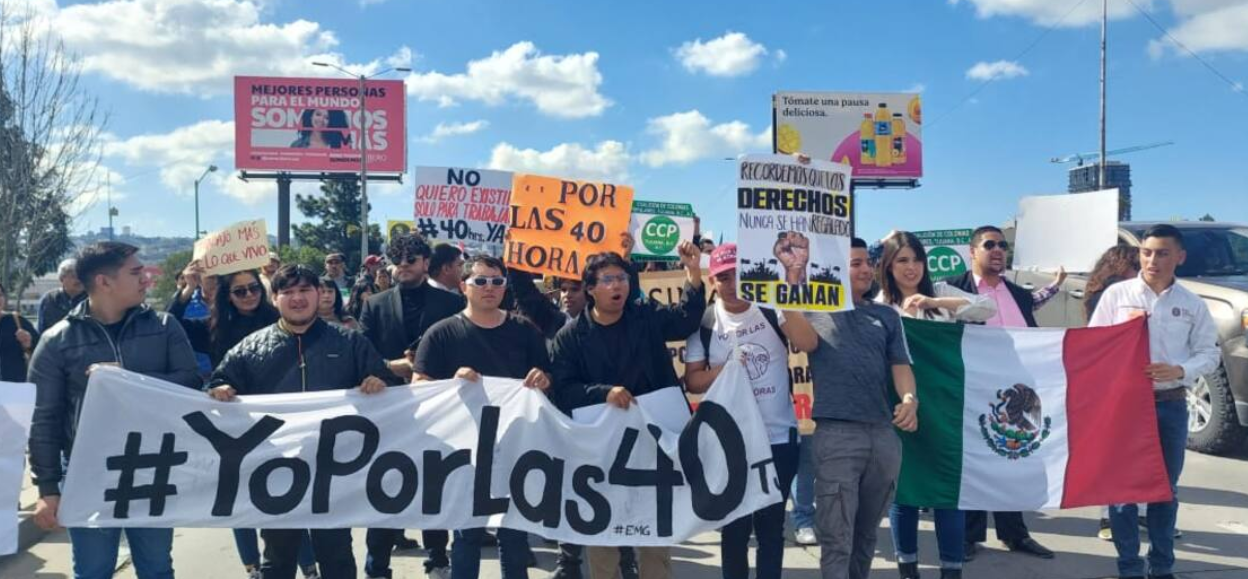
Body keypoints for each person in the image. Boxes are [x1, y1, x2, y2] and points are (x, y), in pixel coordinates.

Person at [207, 264, 396, 579]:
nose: (297, 298)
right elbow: (216, 385)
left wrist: (379, 381)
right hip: (275, 473)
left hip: (334, 471)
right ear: (275, 297)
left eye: (305, 290)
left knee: (337, 557)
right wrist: (220, 389)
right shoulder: (251, 347)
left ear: (319, 293)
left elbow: (388, 384)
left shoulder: (349, 342)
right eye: (288, 292)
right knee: (278, 559)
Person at [28, 241, 200, 579]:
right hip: (88, 472)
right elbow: (43, 419)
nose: (146, 279)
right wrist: (47, 489)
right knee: (93, 572)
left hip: (153, 467)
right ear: (104, 281)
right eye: (135, 273)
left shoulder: (164, 326)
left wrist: (127, 378)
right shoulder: (56, 341)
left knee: (157, 570)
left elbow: (191, 383)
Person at [550, 242, 705, 579]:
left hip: (651, 441)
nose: (617, 285)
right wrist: (604, 394)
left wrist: (693, 272)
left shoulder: (644, 317)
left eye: (621, 278)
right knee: (603, 532)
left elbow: (685, 320)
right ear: (590, 289)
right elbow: (563, 390)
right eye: (607, 280)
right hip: (602, 448)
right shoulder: (570, 337)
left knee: (655, 530)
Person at [1088, 225, 1219, 579]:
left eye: (1162, 253)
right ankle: (1129, 567)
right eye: (1146, 252)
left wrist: (1180, 369)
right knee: (1122, 489)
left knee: (1165, 489)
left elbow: (1209, 354)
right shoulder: (1118, 295)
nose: (1152, 260)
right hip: (1124, 406)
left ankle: (1161, 566)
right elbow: (1094, 344)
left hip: (1169, 404)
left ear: (1180, 257)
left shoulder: (1191, 304)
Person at [411, 254, 552, 579]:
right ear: (464, 286)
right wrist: (451, 383)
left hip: (515, 445)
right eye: (481, 281)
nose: (490, 287)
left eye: (497, 281)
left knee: (514, 535)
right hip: (463, 451)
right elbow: (419, 386)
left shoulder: (525, 331)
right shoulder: (442, 333)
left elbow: (548, 375)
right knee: (467, 534)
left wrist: (544, 379)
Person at [683, 244, 818, 579]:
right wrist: (726, 368)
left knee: (771, 531)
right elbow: (693, 381)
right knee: (734, 531)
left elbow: (808, 343)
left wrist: (786, 302)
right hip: (730, 442)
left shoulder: (771, 309)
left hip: (778, 438)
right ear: (713, 281)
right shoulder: (705, 321)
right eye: (723, 277)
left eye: (738, 275)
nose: (732, 284)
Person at [874, 231, 997, 579]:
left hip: (944, 407)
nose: (911, 267)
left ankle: (951, 570)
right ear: (888, 265)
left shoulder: (941, 291)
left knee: (948, 490)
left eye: (917, 259)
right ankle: (907, 569)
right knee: (905, 491)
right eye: (902, 260)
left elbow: (988, 307)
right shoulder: (881, 306)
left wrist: (933, 303)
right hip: (900, 407)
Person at [804, 237, 918, 579]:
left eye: (868, 262)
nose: (867, 269)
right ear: (834, 268)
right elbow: (802, 341)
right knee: (837, 538)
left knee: (866, 536)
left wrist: (909, 399)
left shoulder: (886, 315)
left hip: (883, 435)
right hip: (837, 436)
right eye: (856, 263)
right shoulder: (811, 310)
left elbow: (901, 366)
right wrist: (785, 300)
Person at [945, 225, 1055, 560]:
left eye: (1002, 245)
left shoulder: (1019, 294)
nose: (997, 250)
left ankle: (1014, 534)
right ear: (972, 251)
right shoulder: (952, 289)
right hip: (972, 391)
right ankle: (969, 536)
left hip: (1016, 393)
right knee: (975, 464)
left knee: (1013, 461)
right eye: (989, 244)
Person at [358, 233, 464, 579]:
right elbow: (361, 354)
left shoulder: (450, 304)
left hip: (435, 410)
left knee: (434, 484)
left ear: (425, 263)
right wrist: (394, 367)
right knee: (384, 486)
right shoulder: (375, 304)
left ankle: (437, 557)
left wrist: (424, 369)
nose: (403, 265)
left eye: (411, 260)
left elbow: (460, 350)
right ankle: (377, 565)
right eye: (397, 260)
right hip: (387, 411)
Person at [0, 282, 38, 382]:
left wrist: (29, 344)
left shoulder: (17, 321)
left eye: (0, 295)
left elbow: (41, 353)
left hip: (14, 386)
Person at [37, 258, 86, 333]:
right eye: (74, 276)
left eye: (81, 276)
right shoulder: (49, 299)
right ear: (61, 279)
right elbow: (41, 330)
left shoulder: (92, 298)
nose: (79, 280)